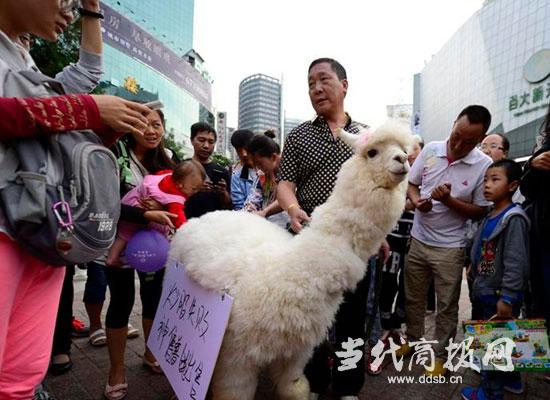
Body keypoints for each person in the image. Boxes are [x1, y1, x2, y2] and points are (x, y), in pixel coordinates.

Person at [0, 1, 151, 398]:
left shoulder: (25, 62)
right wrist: (83, 110)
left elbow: (87, 73)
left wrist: (91, 11)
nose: (69, 10)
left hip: (42, 237)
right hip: (8, 232)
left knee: (22, 376)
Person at [277, 57, 382, 400]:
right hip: (311, 243)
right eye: (310, 83)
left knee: (352, 321)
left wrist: (377, 234)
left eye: (323, 80)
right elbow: (284, 184)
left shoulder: (368, 137)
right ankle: (313, 384)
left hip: (355, 247)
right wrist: (292, 208)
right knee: (310, 321)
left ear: (344, 85)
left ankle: (348, 387)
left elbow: (378, 189)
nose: (316, 89)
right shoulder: (298, 136)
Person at [404, 105, 493, 376]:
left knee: (446, 306)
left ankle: (441, 356)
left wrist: (449, 201)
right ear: (454, 123)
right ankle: (413, 341)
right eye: (456, 135)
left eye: (468, 142)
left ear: (481, 139)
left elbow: (480, 210)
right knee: (413, 298)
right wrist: (417, 201)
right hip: (419, 240)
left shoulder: (483, 165)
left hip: (450, 248)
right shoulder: (431, 149)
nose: (458, 144)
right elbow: (412, 182)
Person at [461, 159, 529, 400]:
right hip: (485, 289)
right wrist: (472, 267)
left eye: (495, 179)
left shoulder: (513, 218)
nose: (487, 185)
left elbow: (515, 262)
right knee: (501, 339)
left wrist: (508, 297)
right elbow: (482, 248)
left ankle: (490, 393)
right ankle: (512, 381)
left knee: (493, 345)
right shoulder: (491, 214)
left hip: (500, 294)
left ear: (513, 186)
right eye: (486, 180)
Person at [106, 160, 205, 266]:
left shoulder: (168, 174)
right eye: (194, 189)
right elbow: (178, 218)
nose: (195, 192)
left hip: (130, 197)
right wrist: (187, 231)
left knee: (124, 233)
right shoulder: (175, 198)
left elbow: (159, 174)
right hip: (136, 208)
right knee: (126, 233)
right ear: (180, 184)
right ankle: (112, 258)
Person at [519, 102, 550, 385]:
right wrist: (534, 165)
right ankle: (536, 360)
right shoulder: (545, 141)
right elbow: (528, 189)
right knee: (539, 296)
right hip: (543, 236)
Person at [184, 122, 232, 219]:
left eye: (211, 142)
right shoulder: (182, 168)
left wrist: (223, 193)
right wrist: (196, 189)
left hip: (214, 225)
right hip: (186, 224)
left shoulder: (222, 172)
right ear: (192, 140)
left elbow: (229, 205)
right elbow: (172, 198)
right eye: (201, 140)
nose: (206, 146)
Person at [247, 131, 288, 227]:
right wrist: (249, 211)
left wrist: (265, 212)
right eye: (255, 164)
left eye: (259, 163)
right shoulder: (263, 175)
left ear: (273, 157)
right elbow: (253, 198)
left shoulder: (290, 169)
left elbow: (287, 197)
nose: (258, 168)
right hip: (269, 226)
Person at [230, 129, 262, 211]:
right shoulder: (237, 177)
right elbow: (239, 206)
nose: (244, 154)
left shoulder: (268, 169)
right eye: (239, 150)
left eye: (247, 149)